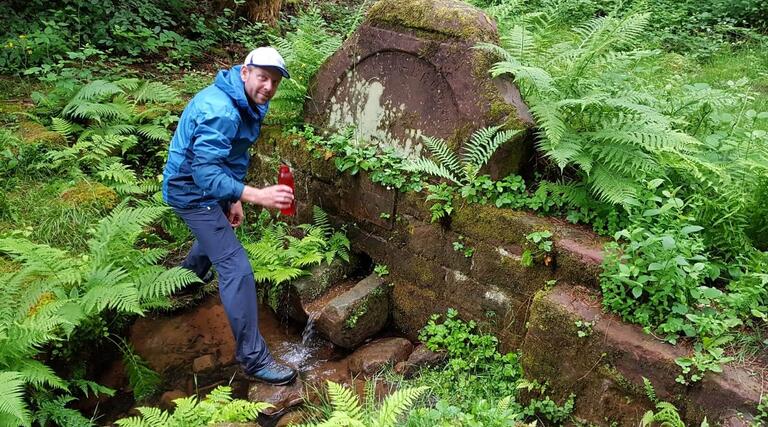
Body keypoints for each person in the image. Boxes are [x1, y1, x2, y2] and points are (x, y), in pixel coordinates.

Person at [162, 47, 297, 385]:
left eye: (275, 82)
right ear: (244, 72)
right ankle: (254, 359)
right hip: (190, 190)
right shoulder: (221, 109)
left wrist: (231, 197)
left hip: (207, 188)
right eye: (263, 78)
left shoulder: (247, 100)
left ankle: (182, 283)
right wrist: (254, 195)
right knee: (236, 268)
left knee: (219, 234)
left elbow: (235, 152)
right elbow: (205, 172)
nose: (268, 87)